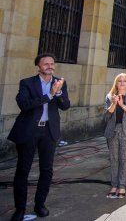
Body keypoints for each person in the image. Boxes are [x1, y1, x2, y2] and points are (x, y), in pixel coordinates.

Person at [8, 53, 71, 221]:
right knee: (23, 170)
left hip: (48, 132)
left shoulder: (60, 83)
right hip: (29, 131)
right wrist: (49, 95)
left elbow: (65, 106)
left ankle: (39, 204)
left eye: (52, 63)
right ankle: (20, 209)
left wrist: (58, 94)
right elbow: (24, 105)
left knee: (47, 170)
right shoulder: (27, 83)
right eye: (46, 64)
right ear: (38, 67)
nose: (50, 66)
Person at [104, 73, 126, 199]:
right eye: (120, 81)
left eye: (125, 81)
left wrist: (122, 104)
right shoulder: (109, 96)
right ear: (116, 83)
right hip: (113, 130)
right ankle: (114, 185)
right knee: (114, 159)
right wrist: (114, 103)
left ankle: (122, 186)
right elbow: (107, 116)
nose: (122, 83)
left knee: (124, 159)